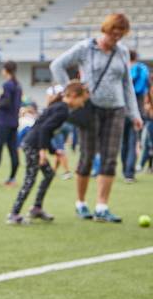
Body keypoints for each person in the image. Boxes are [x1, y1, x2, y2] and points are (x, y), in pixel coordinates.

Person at [50, 13, 143, 222]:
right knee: (87, 156)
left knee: (110, 159)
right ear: (106, 30)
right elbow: (57, 65)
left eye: (120, 35)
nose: (116, 39)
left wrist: (134, 113)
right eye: (113, 34)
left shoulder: (122, 52)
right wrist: (70, 91)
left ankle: (102, 206)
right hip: (90, 110)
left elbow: (127, 84)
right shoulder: (85, 48)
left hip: (116, 110)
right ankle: (81, 203)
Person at [7, 82, 89, 225]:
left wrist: (52, 150)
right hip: (33, 145)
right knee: (30, 179)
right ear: (74, 96)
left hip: (34, 143)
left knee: (49, 174)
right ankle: (14, 213)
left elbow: (45, 130)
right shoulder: (63, 110)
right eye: (82, 100)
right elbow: (44, 129)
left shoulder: (60, 107)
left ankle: (36, 208)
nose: (82, 105)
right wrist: (43, 152)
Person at [120, 50, 149, 182]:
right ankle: (129, 173)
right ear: (136, 57)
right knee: (133, 142)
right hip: (137, 108)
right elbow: (145, 88)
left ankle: (124, 169)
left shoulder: (122, 68)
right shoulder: (143, 69)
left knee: (124, 142)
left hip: (121, 108)